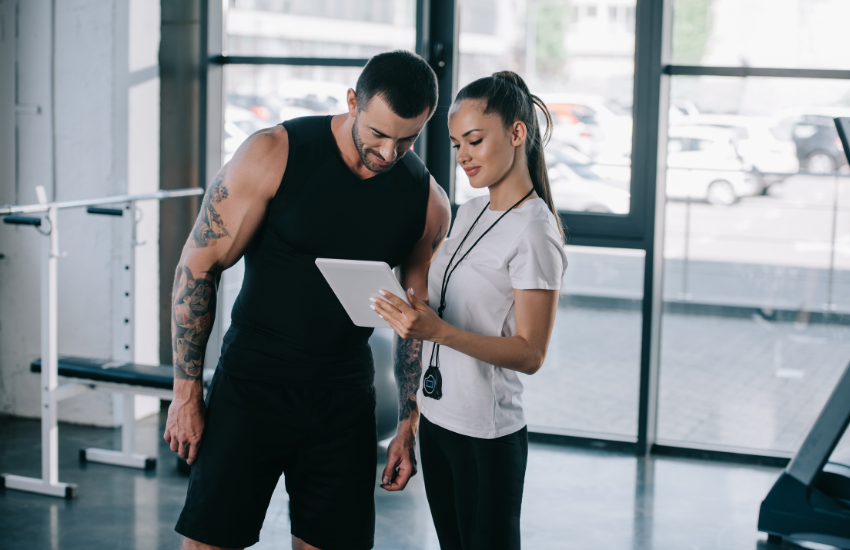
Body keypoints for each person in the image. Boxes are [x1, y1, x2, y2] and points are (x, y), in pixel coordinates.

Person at [164, 50, 451, 550]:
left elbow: (416, 323)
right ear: (351, 102)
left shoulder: (426, 201)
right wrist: (186, 393)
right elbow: (198, 265)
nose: (388, 152)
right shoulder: (274, 152)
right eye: (378, 134)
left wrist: (408, 424)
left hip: (343, 398)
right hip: (253, 384)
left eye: (406, 139)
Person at [372, 71, 568, 550]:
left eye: (475, 141)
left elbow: (530, 353)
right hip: (439, 421)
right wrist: (412, 421)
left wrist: (436, 329)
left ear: (517, 133)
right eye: (457, 144)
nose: (462, 157)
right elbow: (443, 308)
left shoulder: (534, 232)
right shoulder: (470, 212)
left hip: (486, 434)